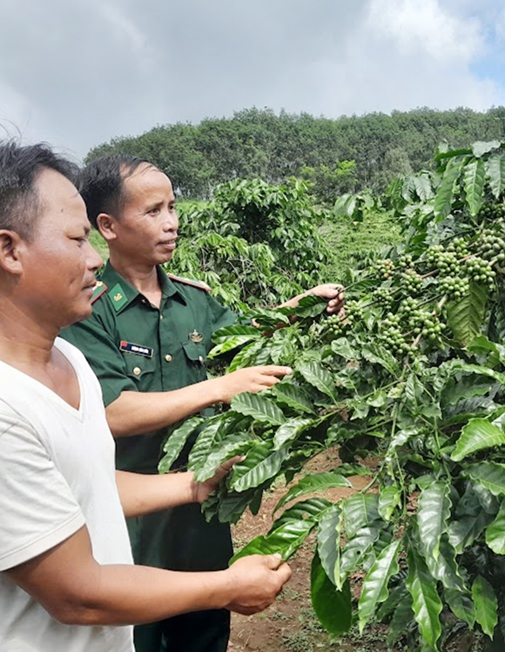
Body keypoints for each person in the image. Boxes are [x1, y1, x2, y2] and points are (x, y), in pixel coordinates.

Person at [0, 138, 292, 652]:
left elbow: (84, 483)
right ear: (9, 250)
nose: (93, 261)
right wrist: (226, 587)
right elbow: (78, 595)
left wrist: (194, 486)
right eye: (77, 239)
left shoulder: (71, 363)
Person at [60, 155, 343, 652]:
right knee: (133, 638)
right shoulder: (89, 310)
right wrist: (218, 387)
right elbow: (112, 413)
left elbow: (243, 334)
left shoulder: (194, 301)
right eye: (153, 211)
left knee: (204, 633)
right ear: (108, 226)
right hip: (128, 520)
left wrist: (306, 304)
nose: (171, 222)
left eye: (172, 207)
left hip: (202, 513)